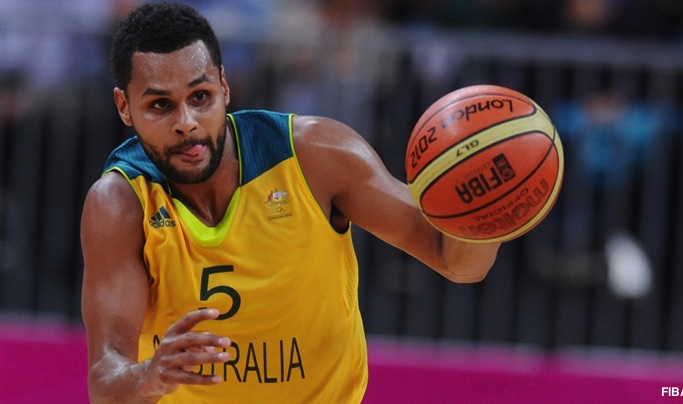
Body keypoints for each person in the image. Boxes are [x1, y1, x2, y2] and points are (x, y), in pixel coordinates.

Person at [80, 2, 500, 403]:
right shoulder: (121, 203)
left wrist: (487, 208)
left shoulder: (316, 155)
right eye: (160, 105)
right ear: (124, 107)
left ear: (224, 85)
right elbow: (106, 382)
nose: (186, 122)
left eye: (200, 97)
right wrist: (147, 376)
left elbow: (457, 262)